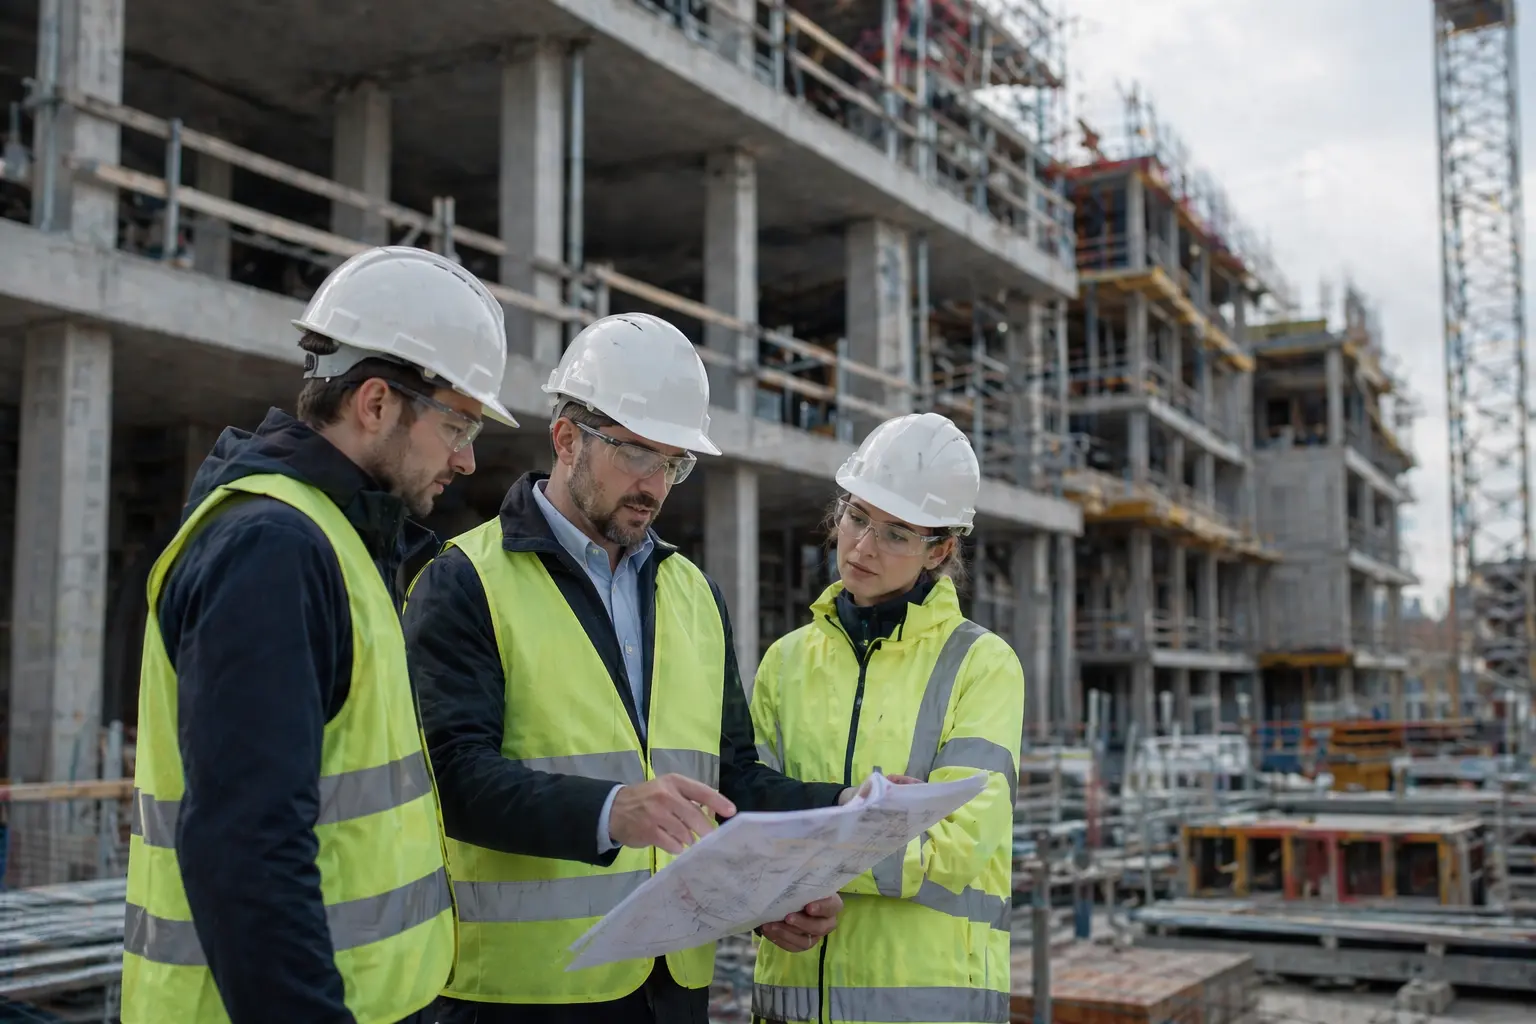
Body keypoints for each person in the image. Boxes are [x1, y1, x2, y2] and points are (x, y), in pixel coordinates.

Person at [403, 312, 854, 1024]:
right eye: (638, 455)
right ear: (566, 439)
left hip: (670, 991)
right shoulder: (464, 581)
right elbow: (451, 778)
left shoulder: (694, 593)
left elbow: (727, 781)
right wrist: (613, 811)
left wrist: (838, 818)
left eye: (675, 463)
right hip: (524, 996)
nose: (656, 485)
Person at [121, 245, 516, 1024]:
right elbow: (246, 847)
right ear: (375, 403)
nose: (469, 460)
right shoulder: (275, 550)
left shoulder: (337, 542)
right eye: (458, 423)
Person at [748, 412, 1025, 1024]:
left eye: (898, 532)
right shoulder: (785, 661)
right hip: (791, 1005)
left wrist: (806, 860)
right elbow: (750, 819)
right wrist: (767, 902)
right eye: (857, 517)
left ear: (941, 549)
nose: (864, 546)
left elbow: (958, 848)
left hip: (925, 1006)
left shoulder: (981, 665)